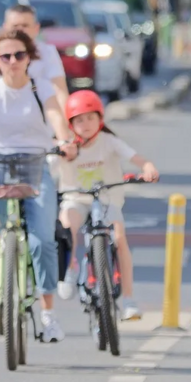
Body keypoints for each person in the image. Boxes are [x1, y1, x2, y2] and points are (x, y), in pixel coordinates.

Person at [0, 29, 78, 341]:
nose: (12, 61)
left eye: (19, 55)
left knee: (42, 240)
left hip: (36, 165)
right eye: (5, 56)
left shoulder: (41, 88)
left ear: (29, 58)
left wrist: (65, 141)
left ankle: (48, 316)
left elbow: (57, 119)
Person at [55, 90, 158, 321]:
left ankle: (129, 300)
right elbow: (48, 165)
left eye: (91, 117)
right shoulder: (66, 146)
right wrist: (60, 153)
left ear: (100, 118)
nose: (86, 124)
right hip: (76, 199)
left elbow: (137, 158)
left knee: (120, 239)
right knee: (66, 227)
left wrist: (148, 167)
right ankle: (69, 271)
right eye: (79, 119)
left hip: (107, 197)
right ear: (70, 124)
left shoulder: (109, 141)